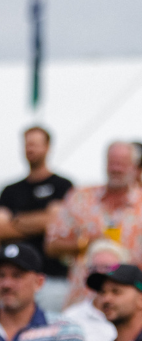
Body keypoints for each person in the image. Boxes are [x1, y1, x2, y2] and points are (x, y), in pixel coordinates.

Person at [45, 141, 142, 308]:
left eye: (122, 164)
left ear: (135, 167)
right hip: (84, 303)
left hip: (129, 309)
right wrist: (84, 243)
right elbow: (52, 245)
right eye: (112, 163)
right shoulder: (80, 198)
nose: (116, 169)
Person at [0, 126, 74, 312]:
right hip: (12, 280)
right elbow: (2, 228)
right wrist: (40, 220)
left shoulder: (62, 185)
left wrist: (15, 220)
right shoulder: (10, 190)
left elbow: (55, 222)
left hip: (52, 279)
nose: (29, 149)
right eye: (26, 144)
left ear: (48, 147)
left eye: (34, 144)